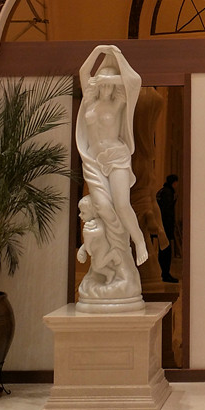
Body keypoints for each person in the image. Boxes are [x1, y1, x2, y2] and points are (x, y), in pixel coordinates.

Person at [75, 47, 149, 299]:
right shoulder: (89, 100)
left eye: (109, 84)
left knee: (122, 205)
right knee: (103, 208)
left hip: (117, 157)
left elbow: (134, 81)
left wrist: (111, 72)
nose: (105, 88)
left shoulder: (118, 103)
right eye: (102, 84)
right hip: (94, 161)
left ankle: (138, 241)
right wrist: (98, 51)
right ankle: (113, 254)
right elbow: (83, 71)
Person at [156, 174, 179, 282]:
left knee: (162, 249)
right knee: (166, 250)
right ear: (174, 182)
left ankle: (163, 272)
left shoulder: (161, 191)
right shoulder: (168, 193)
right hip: (166, 225)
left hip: (160, 224)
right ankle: (165, 273)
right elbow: (168, 211)